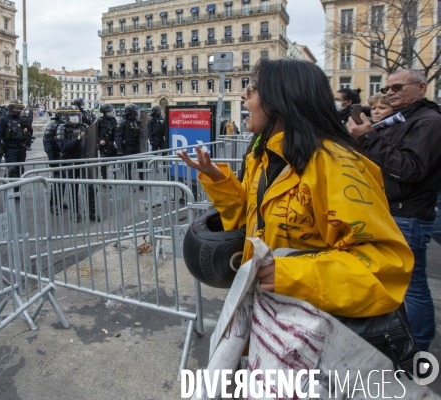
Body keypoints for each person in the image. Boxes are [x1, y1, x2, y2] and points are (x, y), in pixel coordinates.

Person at [177, 59, 413, 322]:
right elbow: (250, 220)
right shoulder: (260, 155)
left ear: (280, 100)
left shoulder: (338, 165)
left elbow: (383, 266)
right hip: (269, 316)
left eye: (252, 90)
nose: (243, 96)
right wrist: (217, 179)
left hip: (314, 330)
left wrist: (287, 275)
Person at [348, 68, 441, 351]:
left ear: (421, 87)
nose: (390, 92)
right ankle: (399, 343)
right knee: (391, 283)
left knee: (412, 286)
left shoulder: (429, 122)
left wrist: (368, 138)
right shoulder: (402, 119)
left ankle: (418, 348)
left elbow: (409, 169)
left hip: (409, 214)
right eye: (389, 88)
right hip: (389, 210)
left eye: (398, 88)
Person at [55, 105, 99, 222]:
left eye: (77, 115)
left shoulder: (84, 126)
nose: (75, 117)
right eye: (72, 115)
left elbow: (92, 143)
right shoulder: (62, 128)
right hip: (71, 161)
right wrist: (78, 139)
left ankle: (92, 213)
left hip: (84, 160)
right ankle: (75, 213)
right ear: (67, 116)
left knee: (90, 188)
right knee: (73, 189)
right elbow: (63, 147)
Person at [0, 99, 28, 193]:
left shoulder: (22, 119)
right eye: (16, 108)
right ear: (11, 108)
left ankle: (16, 191)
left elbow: (28, 131)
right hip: (10, 148)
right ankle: (7, 190)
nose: (18, 110)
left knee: (20, 170)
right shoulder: (4, 119)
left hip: (21, 148)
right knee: (11, 170)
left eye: (19, 108)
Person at [115, 103, 144, 187]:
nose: (136, 113)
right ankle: (129, 183)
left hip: (137, 146)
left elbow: (142, 134)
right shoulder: (122, 121)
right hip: (127, 146)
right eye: (134, 112)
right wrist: (119, 149)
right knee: (127, 166)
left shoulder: (137, 121)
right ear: (130, 112)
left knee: (141, 164)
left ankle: (142, 182)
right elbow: (117, 136)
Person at [43, 108, 65, 214]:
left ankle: (60, 201)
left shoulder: (68, 126)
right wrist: (51, 158)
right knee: (58, 181)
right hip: (57, 156)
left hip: (67, 157)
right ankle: (54, 204)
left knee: (65, 181)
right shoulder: (53, 126)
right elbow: (47, 142)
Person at [96, 103, 117, 179]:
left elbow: (116, 131)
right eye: (108, 111)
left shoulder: (113, 120)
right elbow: (94, 133)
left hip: (112, 143)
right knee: (104, 163)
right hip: (104, 144)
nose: (110, 113)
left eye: (111, 111)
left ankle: (115, 178)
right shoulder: (100, 120)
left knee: (115, 162)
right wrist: (99, 141)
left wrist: (116, 141)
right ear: (104, 112)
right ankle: (104, 179)